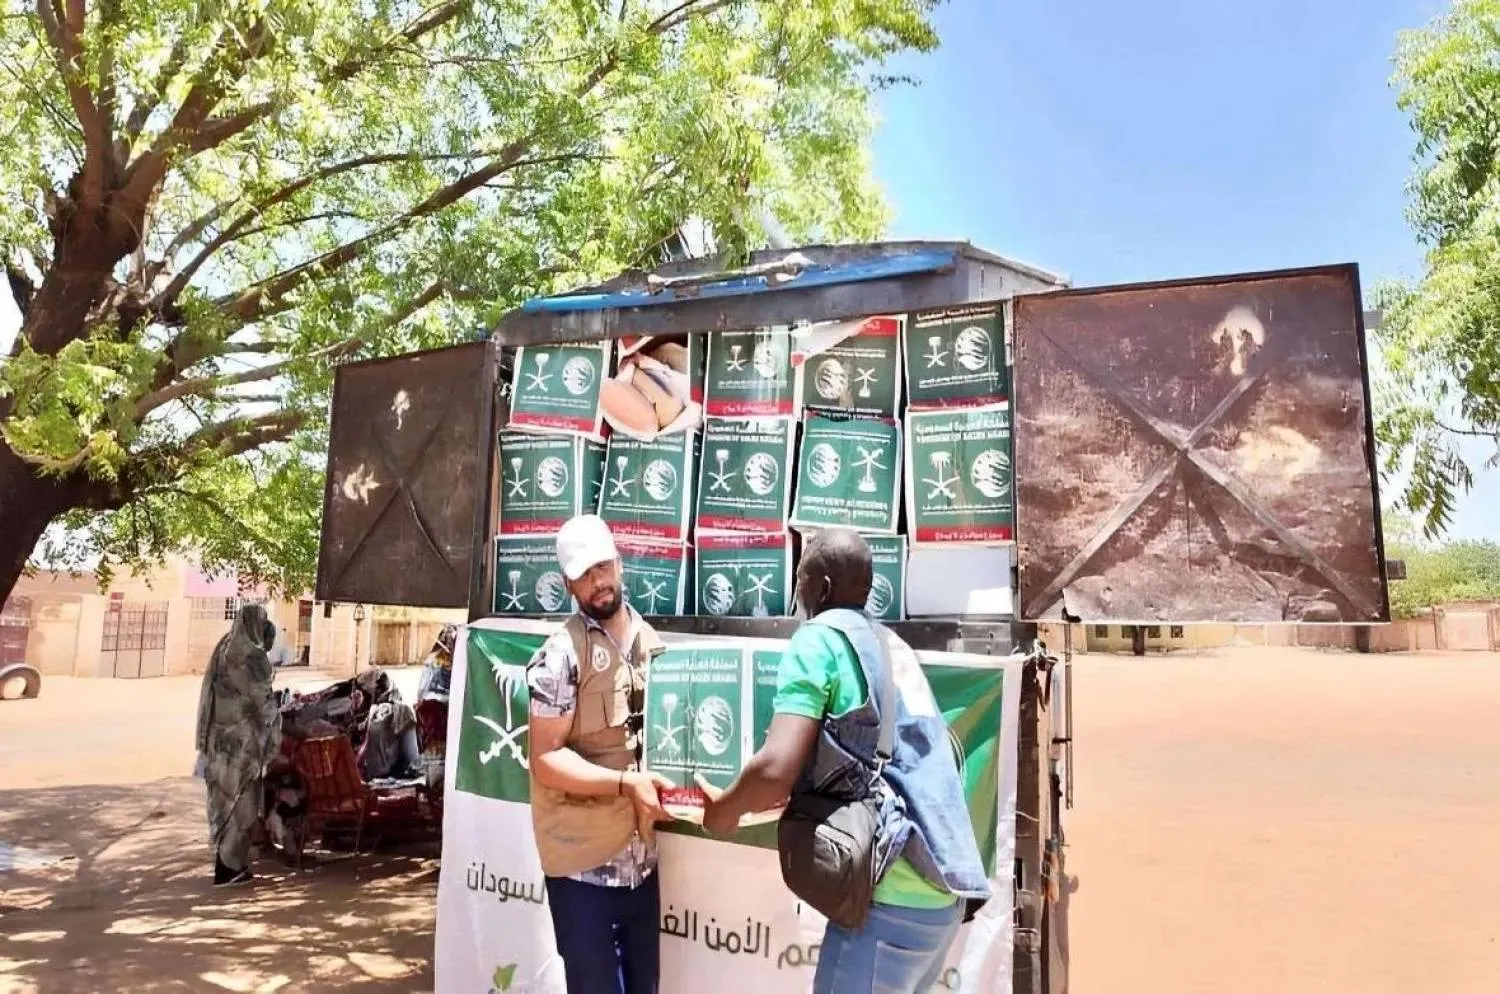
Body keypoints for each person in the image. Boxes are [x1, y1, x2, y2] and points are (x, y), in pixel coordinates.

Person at [700, 528, 991, 994]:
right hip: (941, 891)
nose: (797, 593)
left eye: (800, 580)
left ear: (822, 588)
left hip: (890, 895)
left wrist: (724, 811)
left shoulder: (819, 639)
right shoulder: (890, 645)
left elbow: (775, 768)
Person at [525, 514, 674, 994]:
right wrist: (625, 785)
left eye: (603, 567)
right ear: (569, 583)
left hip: (641, 865)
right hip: (582, 870)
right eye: (585, 574)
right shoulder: (559, 656)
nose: (598, 582)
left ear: (619, 563)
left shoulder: (651, 645)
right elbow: (546, 759)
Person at [195, 603, 282, 887]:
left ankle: (225, 865)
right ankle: (231, 868)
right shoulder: (252, 658)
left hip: (217, 744)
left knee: (221, 804)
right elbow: (264, 704)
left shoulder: (224, 649)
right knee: (242, 807)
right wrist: (281, 727)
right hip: (241, 747)